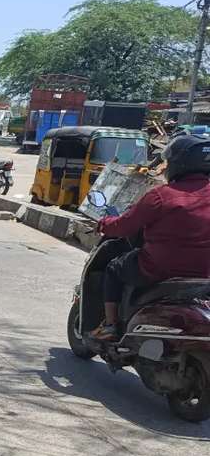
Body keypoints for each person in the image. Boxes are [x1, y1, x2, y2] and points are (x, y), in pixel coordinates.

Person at [90, 134, 210, 340]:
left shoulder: (161, 195)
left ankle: (110, 325)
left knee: (113, 268)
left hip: (157, 269)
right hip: (204, 274)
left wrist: (104, 224)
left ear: (179, 163)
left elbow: (124, 226)